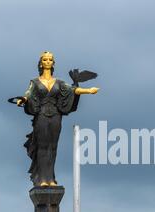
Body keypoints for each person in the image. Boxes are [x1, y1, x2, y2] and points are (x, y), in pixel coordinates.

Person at [16, 51, 99, 187]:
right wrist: (23, 100)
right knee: (43, 147)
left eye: (50, 60)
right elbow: (29, 93)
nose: (48, 62)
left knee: (53, 147)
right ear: (41, 63)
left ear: (53, 63)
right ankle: (42, 179)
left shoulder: (59, 82)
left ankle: (50, 179)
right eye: (45, 60)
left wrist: (88, 90)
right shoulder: (35, 82)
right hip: (41, 115)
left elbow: (72, 90)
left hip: (55, 116)